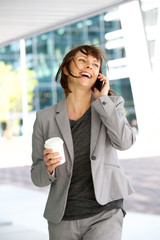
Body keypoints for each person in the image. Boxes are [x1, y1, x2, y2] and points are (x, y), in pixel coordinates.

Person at [31, 45, 136, 240]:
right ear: (65, 68)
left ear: (98, 75)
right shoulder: (44, 118)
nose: (89, 67)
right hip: (63, 217)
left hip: (106, 211)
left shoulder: (111, 105)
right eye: (82, 61)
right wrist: (47, 168)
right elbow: (37, 177)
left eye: (95, 65)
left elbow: (124, 142)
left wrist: (103, 100)